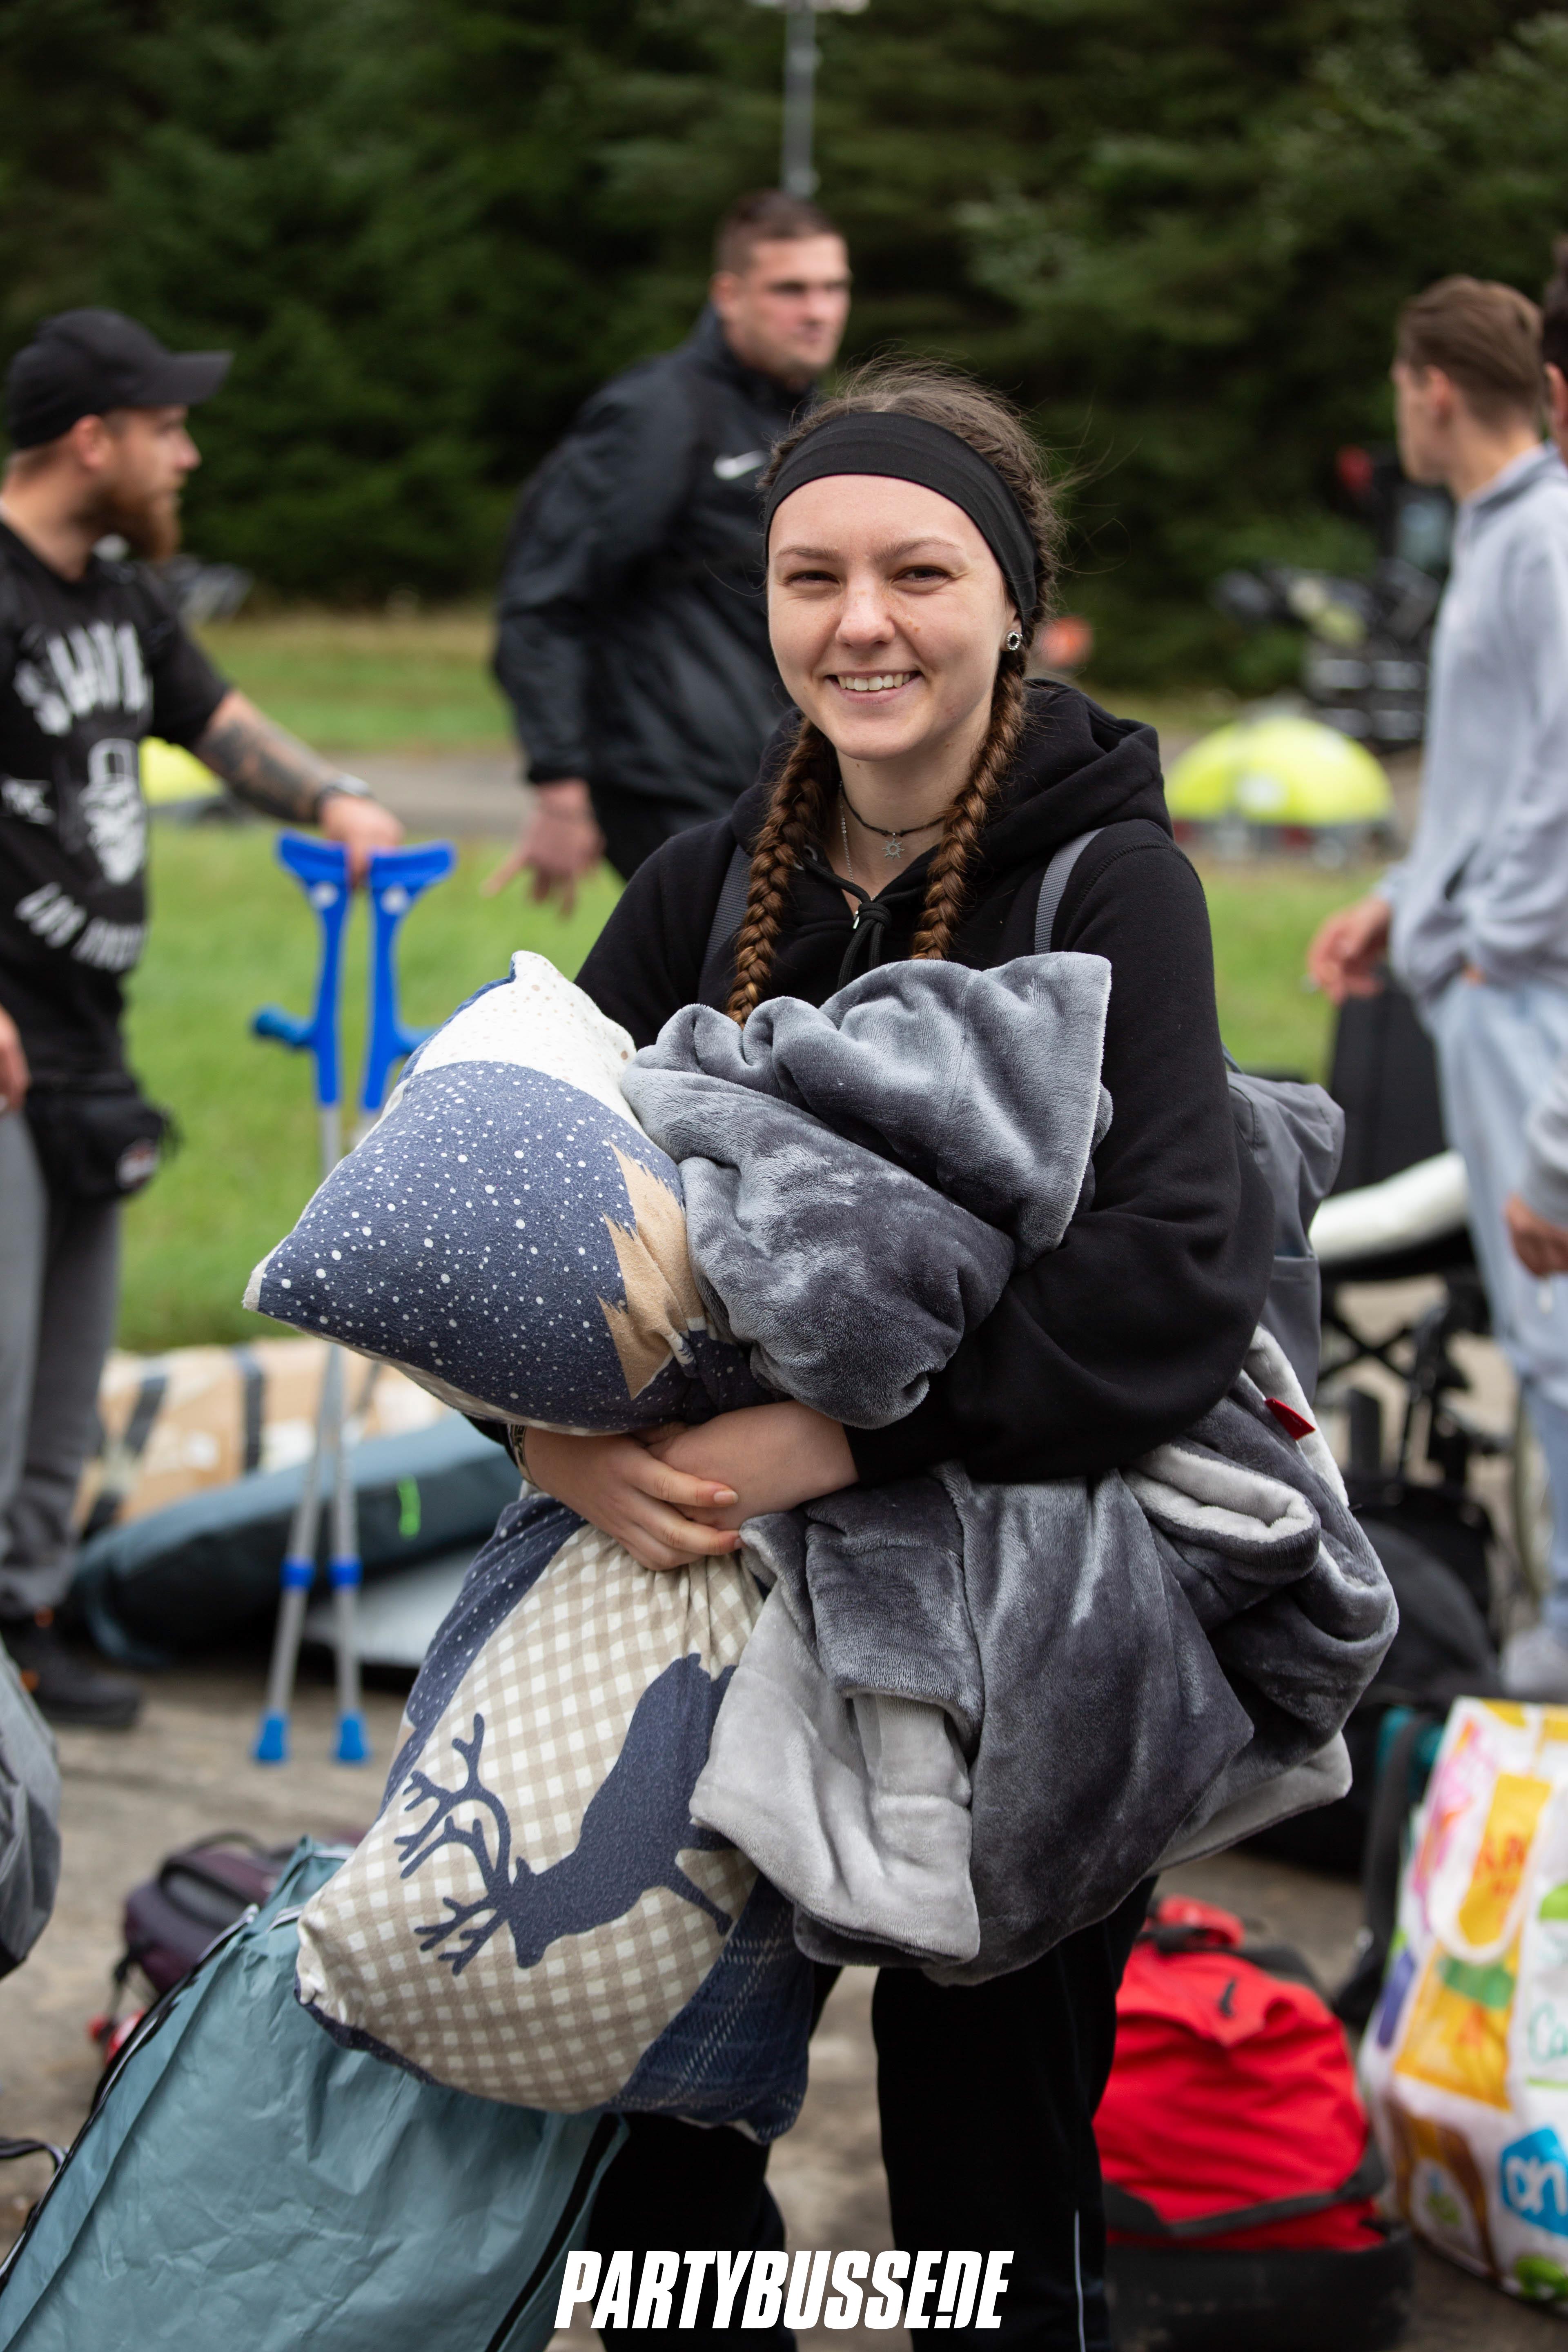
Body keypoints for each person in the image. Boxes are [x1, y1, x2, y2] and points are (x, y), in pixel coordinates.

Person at [524, 363, 1275, 2347]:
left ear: (1015, 606)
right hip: (707, 1611)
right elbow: (506, 1187)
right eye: (812, 576)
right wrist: (544, 1440)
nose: (861, 621)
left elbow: (1172, 1280)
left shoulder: (1106, 882)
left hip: (1028, 1636)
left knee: (984, 2193)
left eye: (919, 572)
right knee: (656, 2139)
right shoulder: (704, 882)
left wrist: (837, 1441)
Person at [0, 307, 403, 1728]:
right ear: (90, 439)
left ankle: (26, 1625)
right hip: (2, 1039)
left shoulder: (118, 600)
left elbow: (219, 724)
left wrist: (337, 800)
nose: (188, 455)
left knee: (63, 1355)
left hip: (86, 1035)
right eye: (165, 429)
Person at [1306, 274, 1568, 1698]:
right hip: (1484, 966)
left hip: (1525, 987)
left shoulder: (1545, 535)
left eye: (1401, 388)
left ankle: (1561, 1646)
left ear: (1435, 389)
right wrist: (1404, 904)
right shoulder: (1495, 530)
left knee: (1554, 1316)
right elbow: (1486, 777)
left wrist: (1490, 939)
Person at [490, 189, 851, 900]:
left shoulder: (814, 421)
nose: (818, 311)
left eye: (833, 287)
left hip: (778, 776)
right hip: (669, 784)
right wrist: (561, 787)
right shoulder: (657, 415)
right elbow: (544, 601)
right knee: (742, 962)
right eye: (790, 289)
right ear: (729, 295)